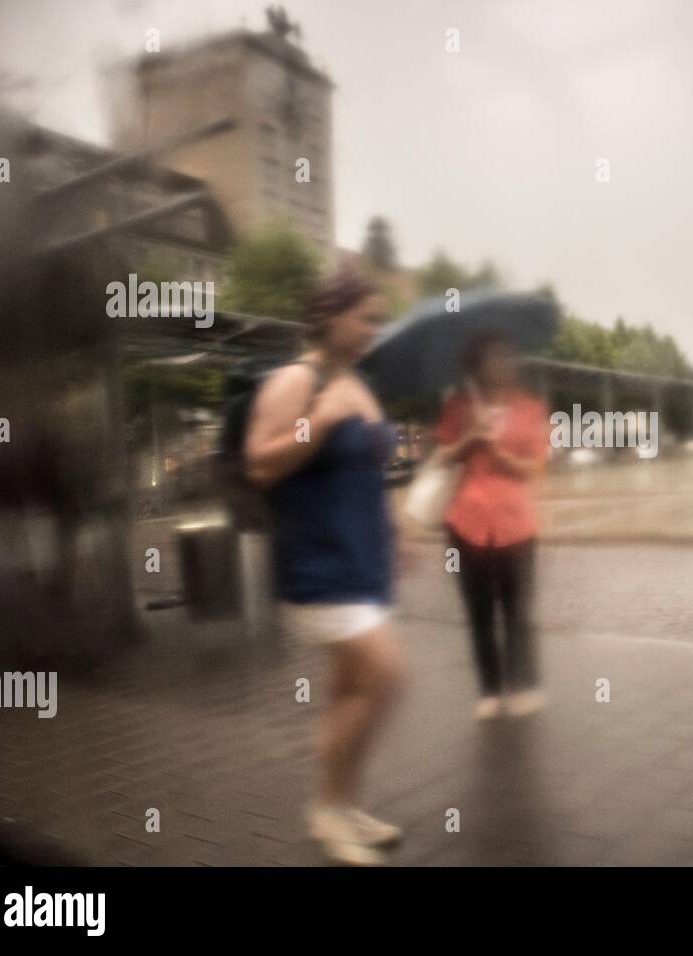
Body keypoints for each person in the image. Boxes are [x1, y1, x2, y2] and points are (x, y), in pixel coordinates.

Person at [244, 269, 406, 866]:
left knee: (351, 691)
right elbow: (260, 462)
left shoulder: (356, 384)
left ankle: (342, 805)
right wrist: (322, 419)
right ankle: (326, 809)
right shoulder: (297, 379)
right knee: (387, 676)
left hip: (363, 559)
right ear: (330, 316)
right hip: (320, 563)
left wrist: (393, 524)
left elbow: (367, 467)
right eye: (365, 316)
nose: (374, 328)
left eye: (378, 318)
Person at [434, 332, 549, 720]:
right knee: (478, 612)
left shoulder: (530, 408)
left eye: (507, 356)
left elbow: (534, 468)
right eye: (493, 357)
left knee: (518, 610)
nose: (502, 363)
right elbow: (443, 457)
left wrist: (495, 448)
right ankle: (489, 689)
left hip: (517, 523)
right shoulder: (459, 404)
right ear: (477, 363)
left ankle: (523, 684)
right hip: (465, 523)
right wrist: (470, 437)